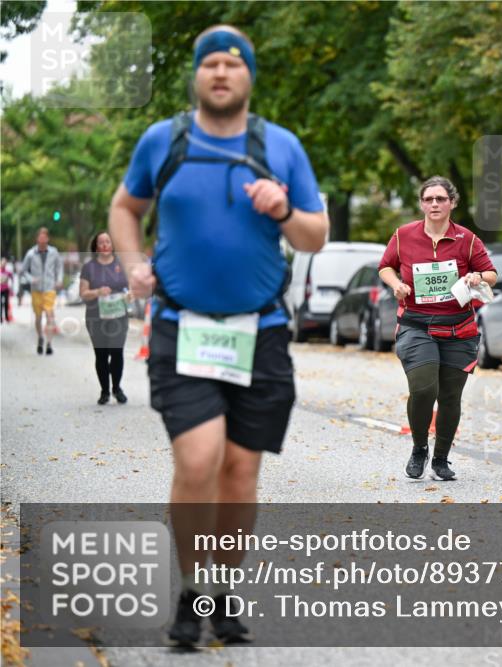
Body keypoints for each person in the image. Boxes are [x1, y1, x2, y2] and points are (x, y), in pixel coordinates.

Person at [107, 25, 327, 647]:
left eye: (234, 64)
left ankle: (224, 592)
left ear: (249, 77)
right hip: (182, 327)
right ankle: (187, 592)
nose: (222, 73)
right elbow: (126, 207)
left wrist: (283, 209)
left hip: (262, 332)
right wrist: (131, 265)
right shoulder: (165, 141)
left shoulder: (279, 147)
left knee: (238, 472)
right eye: (212, 65)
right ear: (197, 76)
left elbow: (316, 235)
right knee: (198, 459)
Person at [378, 176, 497, 482]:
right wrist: (397, 285)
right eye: (429, 199)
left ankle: (441, 459)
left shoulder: (467, 239)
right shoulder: (404, 235)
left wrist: (477, 278)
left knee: (450, 396)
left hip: (458, 328)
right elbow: (386, 266)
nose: (434, 204)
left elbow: (492, 273)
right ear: (421, 203)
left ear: (452, 203)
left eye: (441, 199)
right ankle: (420, 448)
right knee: (423, 387)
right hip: (416, 325)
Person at [80, 232, 130, 405]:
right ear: (96, 246)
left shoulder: (122, 265)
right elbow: (83, 293)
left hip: (118, 315)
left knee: (116, 352)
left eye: (108, 242)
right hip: (96, 317)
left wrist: (129, 296)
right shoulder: (89, 267)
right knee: (101, 354)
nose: (104, 245)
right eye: (101, 242)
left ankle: (116, 387)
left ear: (112, 245)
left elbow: (130, 290)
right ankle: (105, 391)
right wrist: (97, 292)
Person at [22, 228, 63, 355]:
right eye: (40, 237)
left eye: (44, 237)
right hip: (36, 289)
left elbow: (59, 267)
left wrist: (59, 280)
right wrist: (31, 279)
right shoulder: (30, 253)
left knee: (50, 315)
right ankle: (40, 337)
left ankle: (49, 344)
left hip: (50, 288)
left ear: (47, 239)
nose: (42, 240)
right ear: (37, 239)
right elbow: (24, 270)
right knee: (38, 317)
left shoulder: (54, 252)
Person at [0, 257, 12, 323]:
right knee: (0, 304)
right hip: (0, 289)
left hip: (6, 289)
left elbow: (11, 278)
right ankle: (1, 318)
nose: (3, 264)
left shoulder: (8, 272)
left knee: (6, 304)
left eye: (5, 263)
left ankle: (7, 318)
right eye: (2, 263)